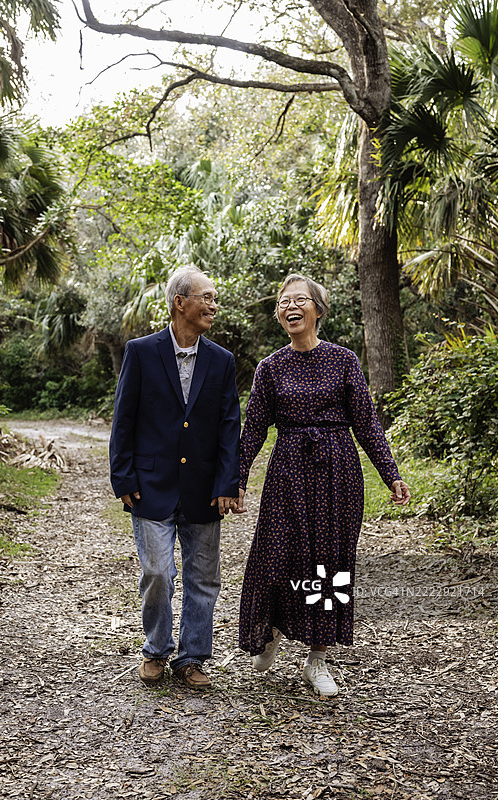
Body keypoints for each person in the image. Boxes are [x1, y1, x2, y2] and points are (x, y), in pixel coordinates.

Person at [236, 273, 410, 697]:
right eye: (282, 302)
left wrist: (391, 474)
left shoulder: (344, 360)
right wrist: (236, 480)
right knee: (276, 553)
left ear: (318, 309)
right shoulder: (270, 368)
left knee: (329, 565)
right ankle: (272, 629)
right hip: (288, 470)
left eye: (298, 300)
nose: (289, 307)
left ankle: (317, 657)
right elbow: (254, 429)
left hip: (338, 472)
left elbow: (366, 423)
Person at [109, 265, 241, 690]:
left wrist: (227, 484)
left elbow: (228, 427)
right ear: (179, 302)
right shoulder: (141, 351)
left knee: (203, 578)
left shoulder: (222, 361)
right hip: (150, 486)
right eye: (206, 297)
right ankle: (155, 650)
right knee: (158, 573)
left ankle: (192, 658)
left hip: (203, 489)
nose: (213, 306)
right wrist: (122, 476)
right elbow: (123, 418)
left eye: (215, 298)